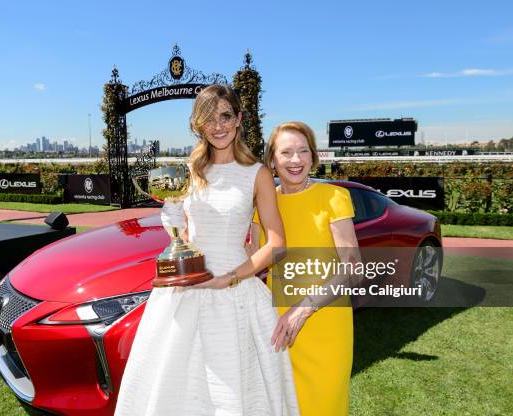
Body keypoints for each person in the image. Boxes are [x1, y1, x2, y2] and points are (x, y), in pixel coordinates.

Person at [114, 86, 299, 416]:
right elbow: (186, 236)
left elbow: (276, 244)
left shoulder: (257, 174)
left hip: (237, 293)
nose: (218, 125)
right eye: (208, 118)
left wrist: (228, 279)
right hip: (188, 289)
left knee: (236, 392)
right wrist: (172, 220)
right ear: (198, 124)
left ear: (239, 119)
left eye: (225, 116)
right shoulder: (191, 171)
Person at [251, 121, 361, 416]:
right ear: (272, 159)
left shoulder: (333, 198)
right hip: (276, 326)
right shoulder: (263, 203)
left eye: (303, 151)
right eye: (286, 152)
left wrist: (303, 309)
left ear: (314, 157)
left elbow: (353, 269)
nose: (295, 160)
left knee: (323, 406)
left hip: (325, 324)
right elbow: (250, 260)